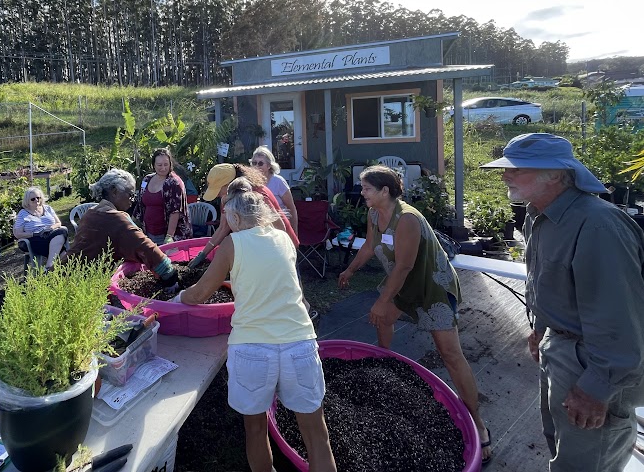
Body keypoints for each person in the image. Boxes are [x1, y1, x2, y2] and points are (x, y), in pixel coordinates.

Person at [481, 133, 644, 472]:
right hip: (559, 347)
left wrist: (597, 389)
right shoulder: (538, 215)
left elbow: (619, 319)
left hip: (593, 360)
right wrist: (541, 330)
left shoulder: (597, 224)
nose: (505, 175)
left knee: (587, 461)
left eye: (517, 169)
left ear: (555, 174)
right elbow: (546, 282)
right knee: (558, 440)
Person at [174, 178, 336, 472]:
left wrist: (177, 298)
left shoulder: (232, 244)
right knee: (317, 434)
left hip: (252, 349)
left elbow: (200, 294)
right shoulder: (283, 239)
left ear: (235, 218)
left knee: (256, 430)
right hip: (299, 343)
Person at [337, 165, 491, 464]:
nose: (362, 192)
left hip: (430, 287)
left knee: (450, 354)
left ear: (385, 191)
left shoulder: (407, 218)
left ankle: (479, 423)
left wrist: (383, 300)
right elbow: (370, 245)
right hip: (404, 283)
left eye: (367, 188)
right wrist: (350, 269)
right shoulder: (373, 214)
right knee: (383, 320)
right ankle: (385, 369)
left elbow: (404, 266)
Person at [64, 168, 180, 290]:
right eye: (130, 194)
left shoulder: (91, 213)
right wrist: (171, 276)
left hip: (64, 273)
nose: (132, 200)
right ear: (114, 191)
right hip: (78, 286)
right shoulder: (115, 219)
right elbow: (146, 248)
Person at [188, 163, 298, 269]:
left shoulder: (256, 194)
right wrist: (203, 253)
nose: (217, 195)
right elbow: (223, 228)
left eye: (218, 190)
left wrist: (280, 253)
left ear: (229, 184)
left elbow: (280, 227)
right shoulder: (227, 198)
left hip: (282, 245)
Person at [133, 147, 193, 245]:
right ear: (153, 165)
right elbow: (140, 202)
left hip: (166, 234)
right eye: (159, 165)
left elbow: (175, 211)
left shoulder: (174, 183)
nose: (163, 168)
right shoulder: (146, 180)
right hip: (148, 231)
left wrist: (169, 236)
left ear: (170, 164)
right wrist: (133, 222)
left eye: (166, 164)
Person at [13, 186, 68, 271]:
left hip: (50, 234)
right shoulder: (23, 213)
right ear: (27, 201)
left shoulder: (48, 208)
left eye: (38, 198)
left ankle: (48, 268)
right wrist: (35, 234)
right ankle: (51, 267)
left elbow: (58, 223)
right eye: (33, 199)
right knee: (62, 252)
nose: (36, 200)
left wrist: (51, 228)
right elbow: (18, 234)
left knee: (62, 231)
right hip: (34, 238)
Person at [251, 146, 299, 234]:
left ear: (269, 166)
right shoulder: (251, 182)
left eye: (260, 163)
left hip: (279, 227)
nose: (257, 166)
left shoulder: (278, 181)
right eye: (254, 163)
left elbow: (291, 208)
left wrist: (294, 232)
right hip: (259, 228)